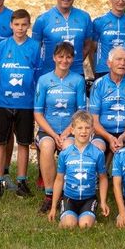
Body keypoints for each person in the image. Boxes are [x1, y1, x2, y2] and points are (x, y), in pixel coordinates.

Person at [0, 9, 40, 199]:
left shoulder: (35, 46)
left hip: (26, 103)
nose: (20, 28)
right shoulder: (3, 46)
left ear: (29, 25)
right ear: (11, 25)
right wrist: (2, 91)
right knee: (0, 142)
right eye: (17, 24)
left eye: (24, 24)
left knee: (23, 142)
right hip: (4, 102)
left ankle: (21, 182)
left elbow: (37, 74)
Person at [34, 42, 87, 214]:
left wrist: (65, 133)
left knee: (69, 147)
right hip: (48, 130)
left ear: (73, 59)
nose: (64, 60)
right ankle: (49, 195)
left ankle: (68, 193)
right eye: (61, 56)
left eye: (68, 57)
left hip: (70, 130)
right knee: (47, 146)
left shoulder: (78, 80)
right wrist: (54, 134)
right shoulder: (44, 80)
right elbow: (38, 113)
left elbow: (81, 112)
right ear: (54, 57)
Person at [47, 110, 109, 229]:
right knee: (69, 225)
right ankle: (67, 215)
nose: (83, 131)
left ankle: (89, 216)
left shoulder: (98, 153)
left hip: (89, 198)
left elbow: (103, 178)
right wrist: (53, 207)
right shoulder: (65, 153)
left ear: (92, 130)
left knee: (85, 225)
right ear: (72, 130)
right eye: (80, 128)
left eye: (87, 128)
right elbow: (59, 179)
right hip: (69, 198)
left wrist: (103, 202)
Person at [88, 46, 125, 153]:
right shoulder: (98, 84)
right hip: (103, 132)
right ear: (109, 63)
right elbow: (94, 121)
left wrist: (122, 137)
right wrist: (109, 138)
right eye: (118, 59)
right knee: (96, 149)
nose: (122, 63)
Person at [33, 0, 94, 74]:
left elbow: (88, 44)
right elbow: (35, 48)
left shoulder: (85, 17)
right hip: (50, 74)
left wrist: (75, 60)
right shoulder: (42, 19)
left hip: (76, 73)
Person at [91, 0, 125, 78]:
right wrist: (95, 70)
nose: (121, 1)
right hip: (104, 70)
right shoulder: (99, 22)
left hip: (124, 70)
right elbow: (92, 50)